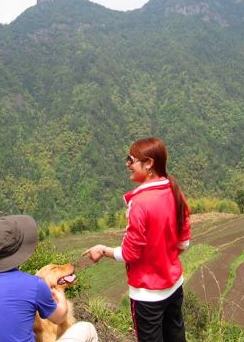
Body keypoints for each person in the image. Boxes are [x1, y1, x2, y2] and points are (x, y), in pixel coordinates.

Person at [83, 137, 191, 342]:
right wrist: (163, 258)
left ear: (148, 163)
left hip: (147, 294)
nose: (127, 164)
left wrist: (103, 250)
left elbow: (130, 253)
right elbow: (184, 243)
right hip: (175, 285)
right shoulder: (175, 192)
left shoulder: (139, 204)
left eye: (131, 159)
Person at [0, 214, 98, 342]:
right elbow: (60, 317)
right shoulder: (33, 284)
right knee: (87, 328)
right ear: (19, 251)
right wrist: (59, 290)